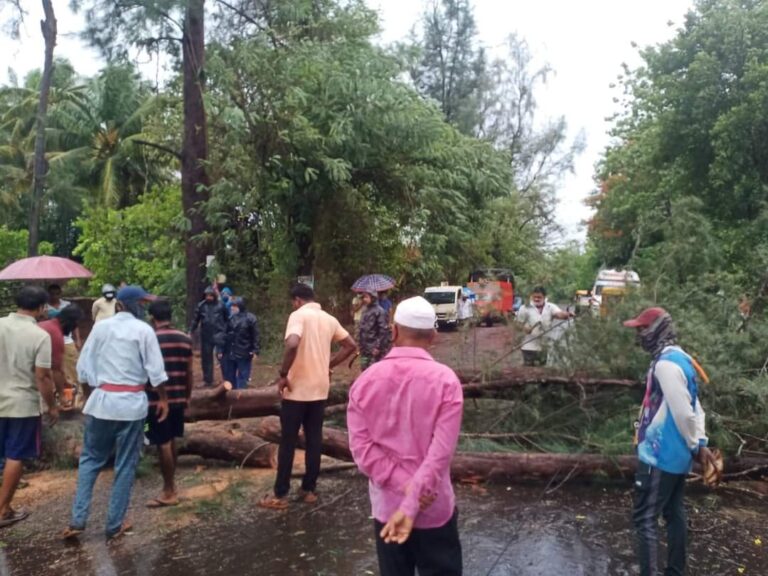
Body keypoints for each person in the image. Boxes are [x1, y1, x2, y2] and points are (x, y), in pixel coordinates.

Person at [348, 296, 464, 576]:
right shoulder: (446, 381)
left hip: (388, 510)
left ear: (395, 331)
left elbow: (362, 451)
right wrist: (416, 496)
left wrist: (406, 489)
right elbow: (440, 454)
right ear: (433, 336)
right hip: (435, 508)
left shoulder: (365, 382)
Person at [63, 285, 169, 542]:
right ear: (131, 305)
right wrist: (163, 399)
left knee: (90, 460)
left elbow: (83, 367)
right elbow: (155, 371)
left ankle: (78, 520)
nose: (144, 307)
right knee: (125, 464)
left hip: (102, 403)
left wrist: (93, 394)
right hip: (132, 406)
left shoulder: (101, 328)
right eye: (142, 303)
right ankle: (114, 524)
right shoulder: (144, 331)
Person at [623, 307, 718, 576]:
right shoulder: (679, 357)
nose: (640, 335)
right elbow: (696, 407)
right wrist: (699, 443)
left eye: (642, 329)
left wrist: (695, 445)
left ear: (657, 330)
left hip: (660, 456)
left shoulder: (666, 365)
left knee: (645, 519)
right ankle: (675, 571)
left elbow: (683, 411)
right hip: (676, 458)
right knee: (673, 512)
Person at [258, 283, 356, 509]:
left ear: (297, 300)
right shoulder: (329, 319)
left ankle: (280, 494)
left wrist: (283, 374)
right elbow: (350, 345)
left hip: (297, 390)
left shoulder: (298, 316)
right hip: (319, 389)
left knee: (288, 442)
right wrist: (328, 364)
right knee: (314, 440)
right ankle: (309, 490)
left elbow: (292, 343)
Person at [0, 286, 56, 529]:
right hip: (22, 405)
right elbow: (42, 376)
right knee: (16, 455)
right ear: (41, 308)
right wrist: (52, 405)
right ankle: (2, 509)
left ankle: (6, 506)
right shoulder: (39, 335)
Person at [145, 299, 193, 508]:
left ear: (152, 318)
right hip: (179, 398)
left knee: (163, 443)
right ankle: (172, 486)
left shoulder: (150, 339)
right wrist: (187, 396)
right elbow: (189, 372)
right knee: (172, 440)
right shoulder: (185, 339)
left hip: (157, 401)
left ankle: (169, 490)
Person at [38, 306, 83, 408]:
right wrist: (62, 395)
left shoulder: (45, 325)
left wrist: (64, 381)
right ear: (68, 322)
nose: (75, 327)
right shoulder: (55, 334)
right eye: (74, 324)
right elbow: (56, 370)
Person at [515, 286, 573, 366]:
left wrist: (566, 314)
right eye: (534, 297)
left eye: (539, 297)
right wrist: (525, 329)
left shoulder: (550, 307)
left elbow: (558, 314)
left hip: (543, 346)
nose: (536, 299)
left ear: (544, 297)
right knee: (529, 370)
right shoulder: (525, 308)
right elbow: (518, 323)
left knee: (541, 369)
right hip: (528, 346)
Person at [189, 287, 228, 387]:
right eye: (207, 295)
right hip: (206, 334)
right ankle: (208, 380)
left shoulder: (221, 305)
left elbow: (227, 319)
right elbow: (195, 320)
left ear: (214, 296)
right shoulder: (201, 306)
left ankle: (228, 378)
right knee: (206, 358)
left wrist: (226, 331)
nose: (208, 297)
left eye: (210, 295)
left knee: (223, 356)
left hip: (219, 333)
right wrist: (191, 331)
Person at [218, 297, 260, 390]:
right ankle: (232, 398)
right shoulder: (230, 318)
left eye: (235, 306)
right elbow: (224, 335)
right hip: (231, 352)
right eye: (232, 306)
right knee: (230, 378)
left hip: (245, 352)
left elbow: (255, 335)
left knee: (243, 378)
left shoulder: (251, 318)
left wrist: (255, 350)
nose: (232, 308)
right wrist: (221, 349)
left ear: (240, 306)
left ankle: (241, 398)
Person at [47, 284, 82, 389]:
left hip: (67, 341)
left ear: (60, 294)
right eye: (52, 294)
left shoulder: (67, 305)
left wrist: (78, 339)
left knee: (73, 368)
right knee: (55, 369)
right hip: (51, 341)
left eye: (57, 294)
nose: (54, 296)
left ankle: (77, 393)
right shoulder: (44, 307)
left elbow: (75, 324)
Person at [358, 291, 391, 370]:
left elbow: (383, 331)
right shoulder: (364, 311)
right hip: (364, 348)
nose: (364, 299)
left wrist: (378, 347)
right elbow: (362, 329)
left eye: (366, 297)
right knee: (364, 369)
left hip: (374, 348)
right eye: (363, 297)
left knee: (373, 370)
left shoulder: (380, 312)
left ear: (373, 298)